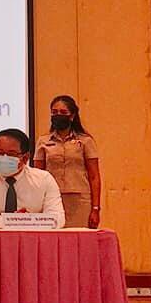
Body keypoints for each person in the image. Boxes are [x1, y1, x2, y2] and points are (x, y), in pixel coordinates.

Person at [0, 128, 65, 229]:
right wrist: (16, 221)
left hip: (32, 238)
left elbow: (58, 219)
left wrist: (26, 221)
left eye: (11, 154)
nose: (4, 157)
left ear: (25, 158)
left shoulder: (44, 179)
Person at [34, 95, 102, 229]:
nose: (58, 115)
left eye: (63, 112)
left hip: (80, 201)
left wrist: (95, 208)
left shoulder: (85, 141)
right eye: (54, 112)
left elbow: (94, 176)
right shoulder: (43, 141)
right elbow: (38, 176)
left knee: (79, 238)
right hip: (51, 200)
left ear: (72, 116)